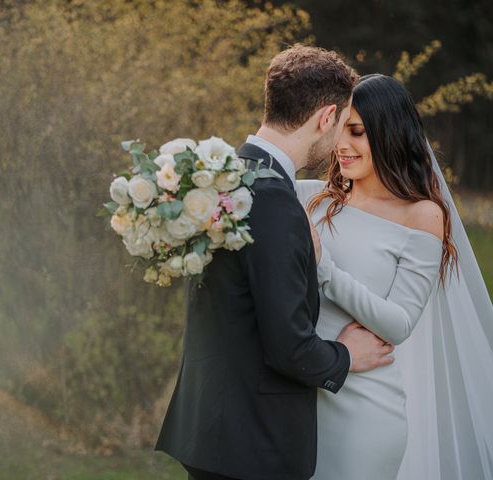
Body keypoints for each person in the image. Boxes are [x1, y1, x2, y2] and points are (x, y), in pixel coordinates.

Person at [155, 45, 393, 480]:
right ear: (325, 117)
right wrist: (345, 356)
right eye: (341, 124)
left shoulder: (230, 174)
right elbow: (289, 346)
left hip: (212, 427)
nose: (340, 139)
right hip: (253, 445)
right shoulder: (272, 199)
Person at [297, 73, 493, 479]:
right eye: (340, 131)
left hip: (364, 412)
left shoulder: (421, 215)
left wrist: (325, 269)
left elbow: (399, 323)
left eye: (358, 132)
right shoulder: (314, 199)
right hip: (299, 401)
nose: (342, 146)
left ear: (388, 134)